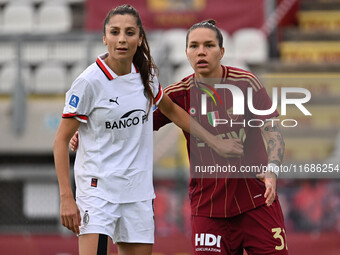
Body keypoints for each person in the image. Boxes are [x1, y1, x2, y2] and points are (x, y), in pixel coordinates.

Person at [70, 18, 287, 254]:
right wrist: (85, 133)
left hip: (257, 202)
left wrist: (272, 168)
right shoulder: (177, 96)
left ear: (222, 51)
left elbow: (273, 132)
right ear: (186, 52)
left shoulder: (247, 84)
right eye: (194, 46)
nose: (201, 52)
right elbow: (130, 124)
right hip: (209, 210)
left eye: (209, 46)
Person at [53, 6, 237, 255]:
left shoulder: (146, 75)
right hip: (98, 194)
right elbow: (61, 140)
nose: (121, 39)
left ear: (140, 38)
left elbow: (172, 111)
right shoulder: (88, 83)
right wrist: (66, 197)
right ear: (104, 37)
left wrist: (216, 142)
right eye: (114, 32)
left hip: (137, 193)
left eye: (129, 32)